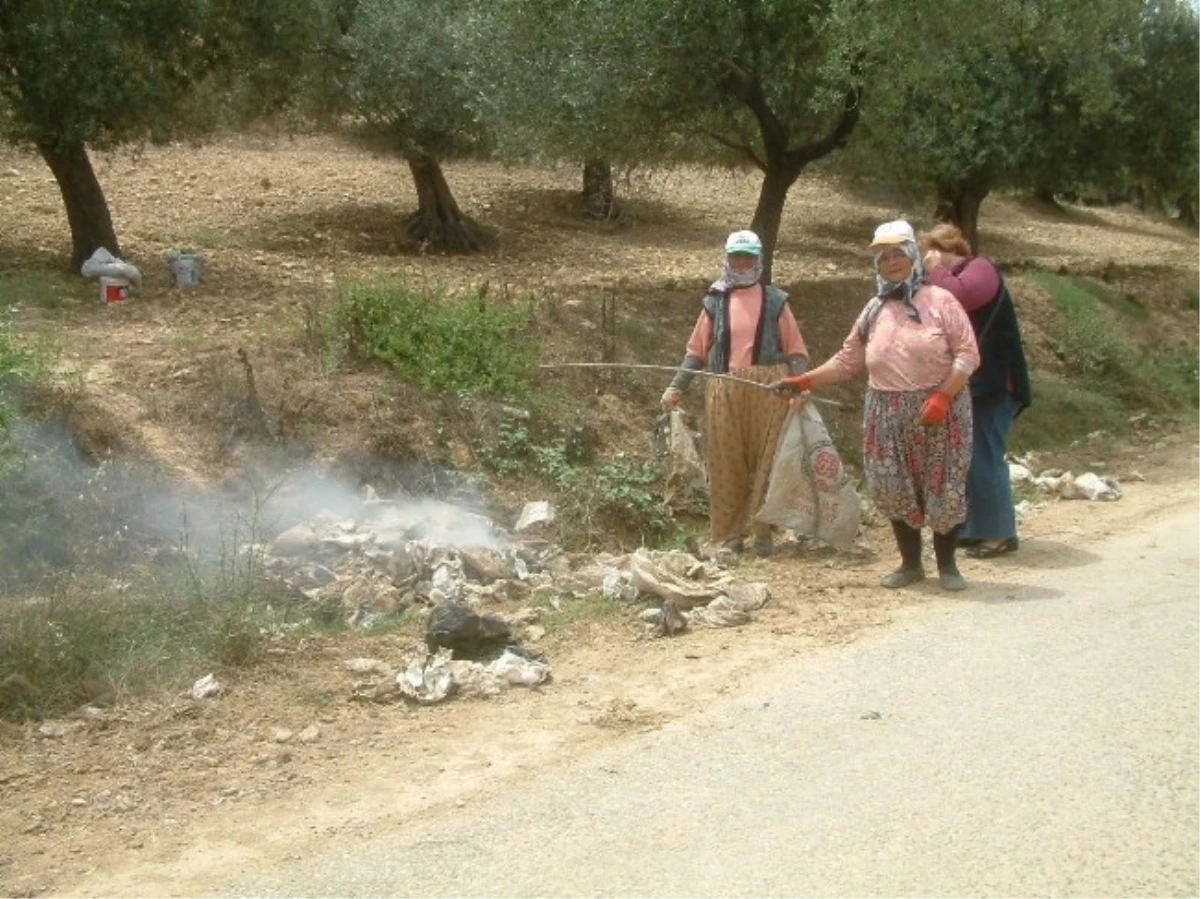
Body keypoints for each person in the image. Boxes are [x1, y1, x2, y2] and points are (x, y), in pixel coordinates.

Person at [769, 220, 979, 591]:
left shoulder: (941, 301)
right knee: (892, 484)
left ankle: (947, 566)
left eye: (899, 254)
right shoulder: (874, 310)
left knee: (943, 486)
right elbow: (848, 361)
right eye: (884, 257)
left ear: (914, 256)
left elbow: (967, 354)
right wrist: (803, 380)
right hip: (885, 411)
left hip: (940, 410)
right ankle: (910, 564)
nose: (892, 262)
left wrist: (944, 395)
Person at [661, 229, 809, 557]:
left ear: (759, 260)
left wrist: (800, 384)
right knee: (726, 460)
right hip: (724, 387)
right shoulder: (714, 302)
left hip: (769, 388)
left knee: (766, 460)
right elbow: (696, 351)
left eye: (748, 257)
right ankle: (730, 535)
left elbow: (796, 350)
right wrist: (676, 385)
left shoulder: (776, 300)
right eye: (736, 257)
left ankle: (763, 532)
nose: (742, 263)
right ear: (727, 258)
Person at [920, 222, 1031, 558]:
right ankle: (976, 527)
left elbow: (961, 295)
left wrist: (934, 270)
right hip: (974, 385)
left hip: (997, 383)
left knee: (985, 456)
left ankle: (998, 533)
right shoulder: (945, 278)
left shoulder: (979, 268)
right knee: (969, 457)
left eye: (934, 250)